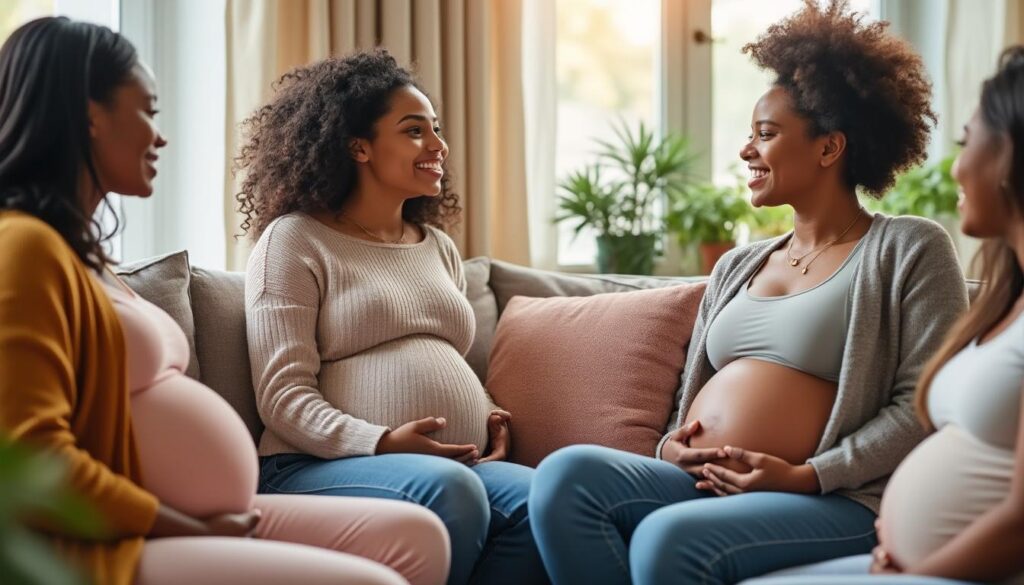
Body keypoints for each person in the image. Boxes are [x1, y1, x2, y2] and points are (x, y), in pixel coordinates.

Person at [528, 1, 968, 583]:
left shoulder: (909, 249)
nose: (745, 151)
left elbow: (925, 404)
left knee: (667, 540)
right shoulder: (738, 265)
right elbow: (684, 405)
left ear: (828, 148)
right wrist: (670, 451)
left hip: (838, 496)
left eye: (765, 134)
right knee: (565, 478)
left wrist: (805, 474)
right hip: (703, 478)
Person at [0, 17, 448, 585]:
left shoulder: (82, 254)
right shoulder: (24, 245)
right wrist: (180, 525)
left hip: (170, 513)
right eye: (149, 112)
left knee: (417, 536)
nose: (160, 137)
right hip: (104, 541)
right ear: (91, 115)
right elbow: (33, 460)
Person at [237, 49, 547, 585]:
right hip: (313, 468)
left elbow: (447, 360)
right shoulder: (295, 240)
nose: (438, 145)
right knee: (451, 491)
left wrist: (489, 414)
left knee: (547, 502)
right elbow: (282, 397)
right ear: (358, 146)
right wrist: (379, 441)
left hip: (453, 467)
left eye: (436, 129)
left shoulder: (438, 247)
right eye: (414, 131)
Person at [741, 45, 1024, 585]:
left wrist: (914, 567)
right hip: (904, 554)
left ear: (1013, 158)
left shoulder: (908, 249)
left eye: (968, 142)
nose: (957, 167)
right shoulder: (1003, 301)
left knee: (670, 545)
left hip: (911, 552)